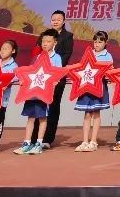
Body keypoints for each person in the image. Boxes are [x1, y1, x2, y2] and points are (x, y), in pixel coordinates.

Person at [13, 29, 62, 155]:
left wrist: (54, 82)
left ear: (55, 42)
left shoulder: (56, 58)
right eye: (43, 41)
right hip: (32, 93)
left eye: (48, 41)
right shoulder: (37, 57)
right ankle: (27, 143)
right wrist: (23, 81)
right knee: (30, 117)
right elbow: (29, 73)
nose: (45, 44)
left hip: (44, 93)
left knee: (42, 117)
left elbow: (58, 74)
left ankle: (39, 143)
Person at [31, 11, 74, 150]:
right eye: (53, 19)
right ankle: (34, 137)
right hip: (41, 77)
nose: (55, 22)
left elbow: (66, 55)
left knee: (53, 106)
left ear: (64, 21)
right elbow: (36, 53)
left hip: (57, 77)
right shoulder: (45, 35)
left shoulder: (68, 36)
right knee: (39, 106)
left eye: (58, 19)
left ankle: (48, 138)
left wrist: (53, 69)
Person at [74, 31, 114, 152]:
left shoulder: (108, 56)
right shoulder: (88, 53)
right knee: (87, 114)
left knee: (96, 113)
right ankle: (85, 141)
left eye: (100, 42)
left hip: (99, 87)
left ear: (105, 43)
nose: (97, 44)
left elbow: (110, 71)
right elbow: (81, 68)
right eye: (95, 41)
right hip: (86, 87)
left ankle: (94, 141)